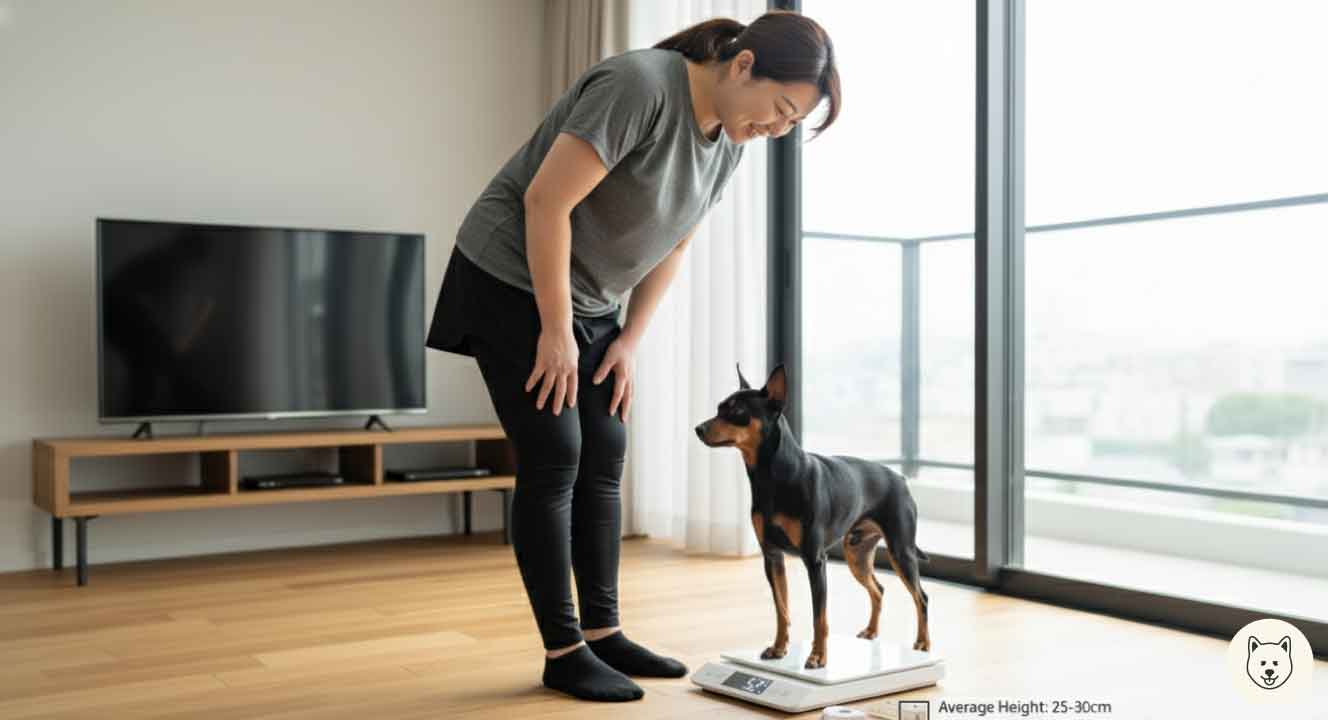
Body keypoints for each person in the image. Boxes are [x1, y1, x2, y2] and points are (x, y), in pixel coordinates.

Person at [426, 9, 840, 703]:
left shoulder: (729, 144)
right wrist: (555, 329)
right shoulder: (640, 86)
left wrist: (627, 341)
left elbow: (673, 244)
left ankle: (604, 631)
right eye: (780, 109)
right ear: (744, 66)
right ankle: (564, 652)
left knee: (607, 450)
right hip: (508, 273)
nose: (776, 128)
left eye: (791, 123)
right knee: (555, 451)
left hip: (592, 300)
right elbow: (545, 202)